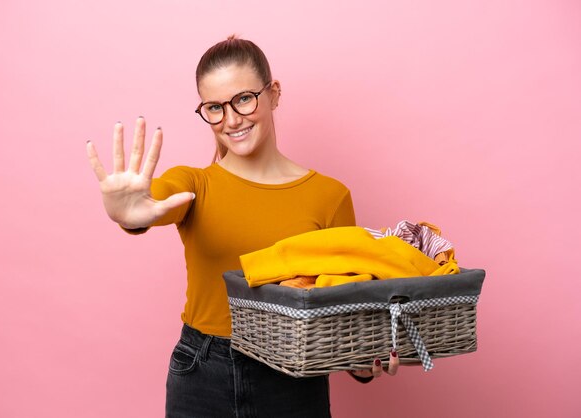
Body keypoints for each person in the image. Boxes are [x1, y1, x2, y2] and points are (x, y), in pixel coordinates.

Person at [86, 36, 399, 418]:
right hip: (203, 370)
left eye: (244, 99)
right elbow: (156, 203)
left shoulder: (329, 196)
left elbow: (342, 310)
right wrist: (131, 214)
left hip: (293, 377)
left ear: (274, 93)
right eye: (215, 107)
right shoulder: (193, 183)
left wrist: (361, 363)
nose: (231, 120)